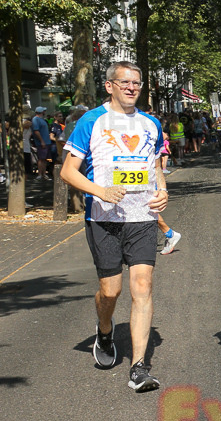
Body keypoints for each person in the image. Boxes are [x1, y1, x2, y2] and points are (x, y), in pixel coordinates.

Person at [60, 61, 168, 392]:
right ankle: (105, 330)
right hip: (104, 218)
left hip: (142, 218)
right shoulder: (91, 121)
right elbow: (68, 171)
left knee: (142, 285)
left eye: (137, 83)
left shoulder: (151, 123)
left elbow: (154, 167)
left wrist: (163, 191)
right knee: (111, 290)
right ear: (110, 86)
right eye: (125, 82)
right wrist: (101, 191)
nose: (132, 87)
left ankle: (139, 368)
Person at [30, 106, 51, 180]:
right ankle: (39, 174)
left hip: (47, 142)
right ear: (41, 112)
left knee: (45, 159)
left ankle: (44, 174)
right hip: (42, 142)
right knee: (41, 158)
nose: (45, 112)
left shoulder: (42, 120)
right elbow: (36, 131)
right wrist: (42, 141)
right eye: (44, 111)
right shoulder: (35, 119)